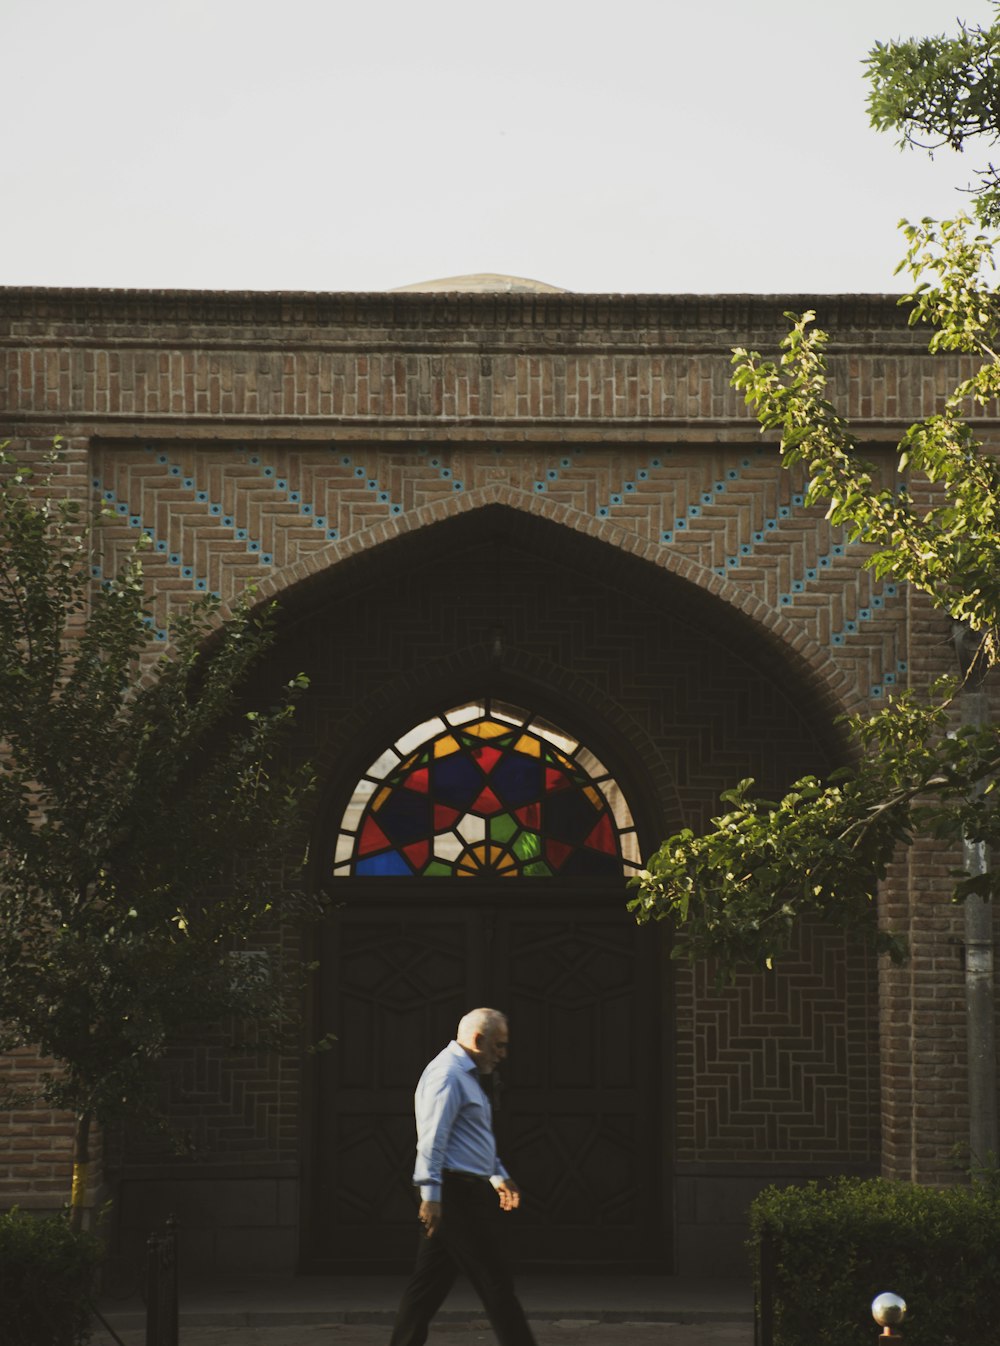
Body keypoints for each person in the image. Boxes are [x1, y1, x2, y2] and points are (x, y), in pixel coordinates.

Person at [388, 1007, 538, 1346]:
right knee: (494, 1280)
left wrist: (497, 1175)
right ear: (478, 1039)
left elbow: (471, 1138)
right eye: (498, 1046)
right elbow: (433, 1138)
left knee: (427, 1287)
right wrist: (431, 1196)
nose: (502, 1055)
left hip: (459, 1188)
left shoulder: (466, 1075)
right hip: (452, 1192)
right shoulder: (447, 1075)